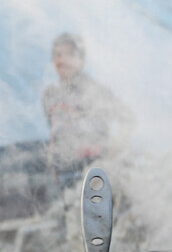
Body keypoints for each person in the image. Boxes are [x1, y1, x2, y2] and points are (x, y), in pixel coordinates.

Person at [41, 32, 134, 177]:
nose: (63, 60)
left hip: (93, 163)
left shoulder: (95, 90)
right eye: (58, 55)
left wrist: (115, 148)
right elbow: (55, 135)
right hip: (64, 163)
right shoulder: (50, 94)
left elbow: (128, 118)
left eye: (70, 55)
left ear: (82, 61)